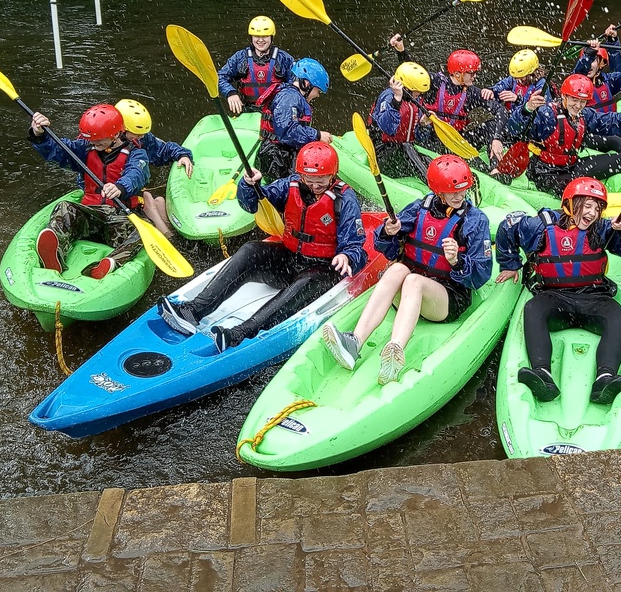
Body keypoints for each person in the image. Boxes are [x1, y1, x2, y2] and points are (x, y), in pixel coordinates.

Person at [159, 142, 369, 353]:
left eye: (320, 181)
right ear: (301, 174)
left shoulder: (344, 199)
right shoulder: (290, 185)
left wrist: (347, 256)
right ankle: (192, 312)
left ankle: (240, 333)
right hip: (290, 260)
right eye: (310, 180)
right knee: (251, 249)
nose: (314, 186)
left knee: (307, 280)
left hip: (323, 269)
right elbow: (251, 204)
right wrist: (249, 185)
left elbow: (356, 246)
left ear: (332, 175)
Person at [320, 155, 493, 385]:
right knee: (396, 270)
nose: (459, 196)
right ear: (438, 191)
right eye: (453, 192)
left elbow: (481, 275)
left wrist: (456, 260)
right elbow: (388, 249)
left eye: (463, 190)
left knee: (413, 281)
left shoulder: (475, 220)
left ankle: (395, 352)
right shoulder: (420, 208)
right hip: (409, 292)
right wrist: (389, 231)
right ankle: (354, 342)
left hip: (445, 299)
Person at [495, 177, 621, 404]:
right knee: (533, 308)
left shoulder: (603, 230)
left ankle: (605, 378)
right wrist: (510, 264)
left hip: (594, 298)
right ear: (570, 203)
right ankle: (542, 375)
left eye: (597, 208)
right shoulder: (540, 227)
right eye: (587, 206)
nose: (592, 213)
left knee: (617, 315)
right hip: (553, 298)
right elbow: (508, 227)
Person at [30, 104, 151, 279]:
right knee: (65, 207)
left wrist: (120, 186)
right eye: (92, 141)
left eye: (99, 141)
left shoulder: (136, 154)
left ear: (116, 134)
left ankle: (112, 262)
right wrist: (40, 135)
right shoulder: (85, 148)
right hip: (90, 216)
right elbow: (58, 151)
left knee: (145, 230)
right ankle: (55, 255)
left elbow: (137, 174)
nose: (94, 144)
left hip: (118, 218)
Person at [506, 73, 621, 194]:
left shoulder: (584, 115)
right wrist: (526, 109)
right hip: (546, 173)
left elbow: (613, 123)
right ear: (563, 96)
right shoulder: (547, 115)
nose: (578, 106)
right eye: (574, 99)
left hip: (571, 167)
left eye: (582, 101)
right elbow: (514, 129)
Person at [388, 37, 506, 164]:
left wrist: (496, 138)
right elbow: (412, 75)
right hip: (430, 141)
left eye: (476, 72)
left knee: (491, 125)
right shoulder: (435, 83)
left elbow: (501, 110)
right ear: (457, 74)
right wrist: (401, 51)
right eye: (471, 73)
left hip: (457, 140)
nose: (475, 76)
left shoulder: (473, 93)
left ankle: (495, 167)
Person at [115, 98, 193, 238]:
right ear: (121, 129)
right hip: (115, 198)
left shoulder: (141, 139)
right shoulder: (102, 144)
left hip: (133, 192)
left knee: (160, 201)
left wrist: (182, 155)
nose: (141, 137)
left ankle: (174, 238)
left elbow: (163, 150)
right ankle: (169, 237)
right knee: (150, 199)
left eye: (142, 134)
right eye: (136, 134)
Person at [256, 57, 334, 179]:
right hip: (275, 157)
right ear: (307, 84)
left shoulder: (293, 96)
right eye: (317, 90)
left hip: (281, 153)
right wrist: (317, 135)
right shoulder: (289, 98)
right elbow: (287, 131)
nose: (317, 95)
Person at [217, 15, 295, 116]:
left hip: (276, 112)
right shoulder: (240, 57)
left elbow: (295, 84)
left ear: (271, 37)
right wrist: (230, 93)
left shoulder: (284, 59)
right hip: (247, 111)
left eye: (265, 36)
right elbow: (220, 77)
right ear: (251, 37)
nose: (260, 40)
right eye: (257, 36)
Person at [368, 62, 434, 179]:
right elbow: (387, 127)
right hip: (383, 152)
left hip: (402, 151)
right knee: (406, 147)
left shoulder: (414, 100)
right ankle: (432, 183)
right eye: (417, 90)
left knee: (427, 160)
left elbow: (419, 137)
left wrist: (423, 125)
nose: (420, 93)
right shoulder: (388, 97)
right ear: (406, 88)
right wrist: (396, 100)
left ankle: (437, 177)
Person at [492, 50, 545, 114]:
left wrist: (518, 100)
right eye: (516, 78)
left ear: (532, 73)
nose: (518, 80)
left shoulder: (541, 84)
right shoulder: (516, 77)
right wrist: (492, 91)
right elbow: (502, 85)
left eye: (521, 77)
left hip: (525, 119)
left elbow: (540, 112)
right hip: (511, 116)